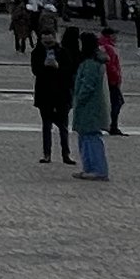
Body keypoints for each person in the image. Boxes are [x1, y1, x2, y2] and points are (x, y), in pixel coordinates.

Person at [31, 25, 75, 165]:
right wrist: (44, 66)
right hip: (45, 94)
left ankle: (66, 154)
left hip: (61, 94)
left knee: (63, 127)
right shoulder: (37, 53)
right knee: (46, 125)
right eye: (45, 42)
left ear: (55, 38)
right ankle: (47, 154)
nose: (47, 44)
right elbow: (36, 71)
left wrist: (58, 67)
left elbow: (70, 71)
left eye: (50, 42)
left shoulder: (63, 52)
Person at [69, 33, 111, 179]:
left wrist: (79, 99)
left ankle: (97, 169)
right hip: (86, 107)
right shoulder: (89, 62)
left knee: (91, 137)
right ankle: (89, 167)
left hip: (90, 107)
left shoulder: (91, 64)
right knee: (84, 137)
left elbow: (88, 85)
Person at [98, 27, 125, 135]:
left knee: (114, 103)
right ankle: (112, 125)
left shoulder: (103, 46)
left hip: (108, 80)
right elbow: (110, 65)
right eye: (114, 35)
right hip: (111, 81)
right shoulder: (108, 48)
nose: (116, 37)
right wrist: (116, 78)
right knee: (116, 103)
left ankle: (111, 125)